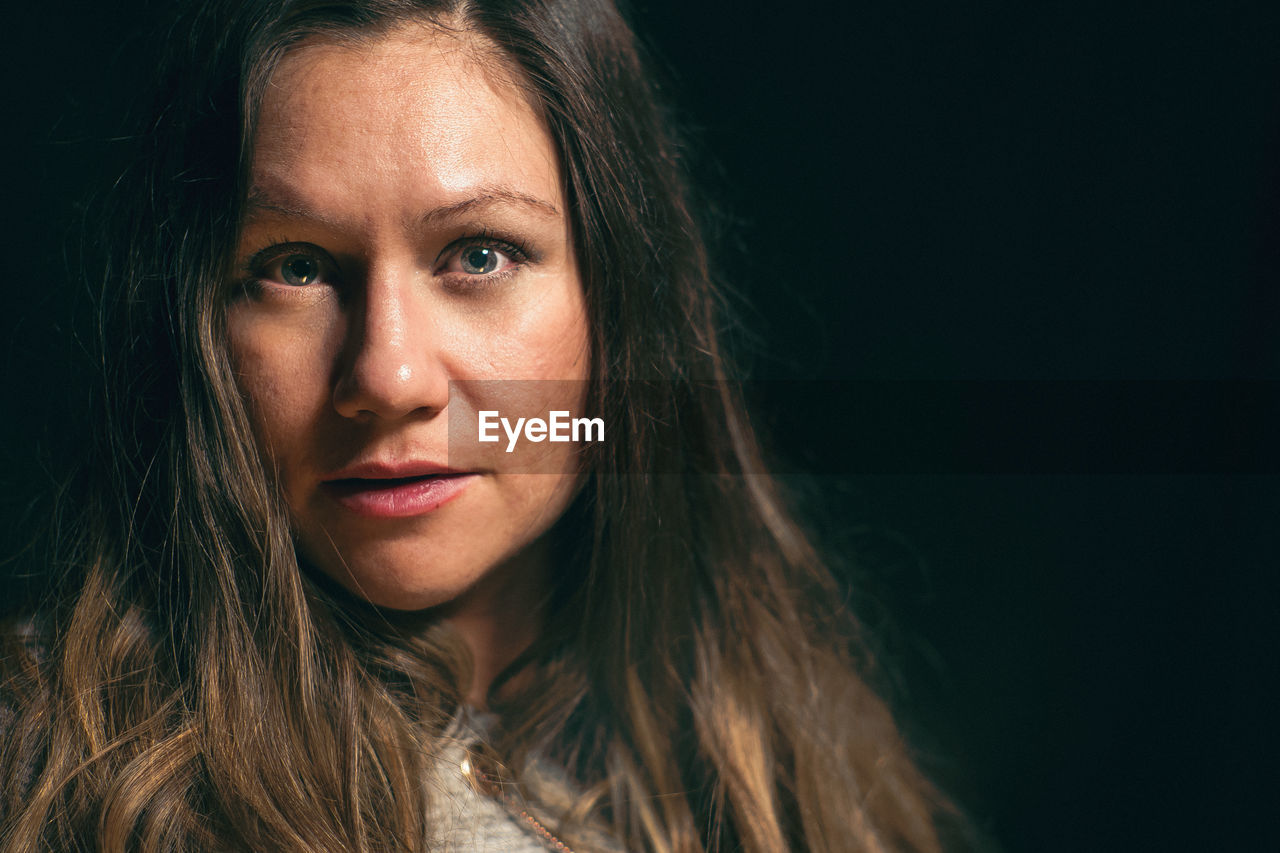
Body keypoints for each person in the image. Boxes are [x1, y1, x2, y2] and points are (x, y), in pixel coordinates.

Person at [0, 1, 965, 850]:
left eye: (479, 254)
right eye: (295, 266)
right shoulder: (49, 779)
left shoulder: (789, 764)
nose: (388, 375)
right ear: (194, 321)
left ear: (619, 300)